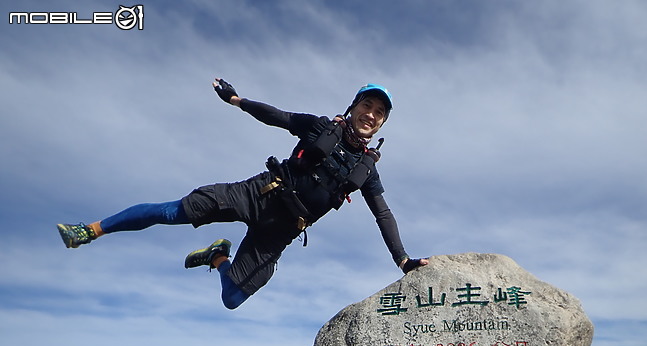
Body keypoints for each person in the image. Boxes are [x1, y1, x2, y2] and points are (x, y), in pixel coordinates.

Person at [57, 78, 428, 309]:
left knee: (232, 299)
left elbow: (383, 215)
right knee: (172, 212)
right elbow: (277, 116)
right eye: (367, 105)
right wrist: (237, 100)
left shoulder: (367, 170)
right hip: (258, 193)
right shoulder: (318, 126)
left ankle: (218, 257)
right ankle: (90, 230)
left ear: (381, 122)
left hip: (281, 229)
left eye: (380, 112)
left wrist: (403, 260)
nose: (371, 114)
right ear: (354, 106)